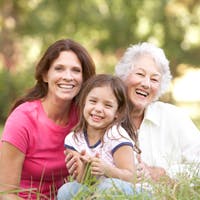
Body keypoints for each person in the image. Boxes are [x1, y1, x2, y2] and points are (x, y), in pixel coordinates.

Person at [0, 38, 96, 199]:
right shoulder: (23, 120)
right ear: (45, 75)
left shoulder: (84, 117)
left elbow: (90, 182)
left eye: (76, 70)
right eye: (59, 69)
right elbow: (6, 193)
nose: (68, 76)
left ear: (84, 78)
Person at [114, 42, 200, 181]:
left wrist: (164, 174)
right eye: (140, 74)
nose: (146, 84)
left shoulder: (173, 117)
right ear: (124, 75)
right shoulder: (105, 117)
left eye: (154, 79)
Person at [57, 74, 139, 200]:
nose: (98, 109)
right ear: (84, 102)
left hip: (127, 191)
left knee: (106, 187)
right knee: (66, 191)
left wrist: (106, 169)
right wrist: (86, 168)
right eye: (93, 101)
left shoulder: (116, 135)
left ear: (117, 112)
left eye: (107, 105)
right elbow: (84, 182)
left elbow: (131, 177)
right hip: (95, 190)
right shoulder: (73, 139)